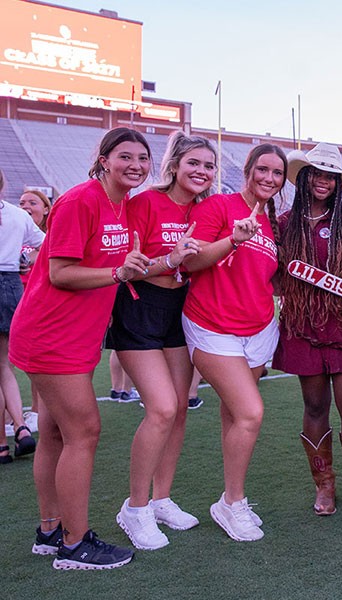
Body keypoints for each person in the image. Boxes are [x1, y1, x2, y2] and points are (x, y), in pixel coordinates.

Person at [8, 128, 153, 569]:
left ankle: (50, 532)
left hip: (75, 337)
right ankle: (74, 544)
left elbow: (122, 265)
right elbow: (60, 273)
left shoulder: (121, 205)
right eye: (125, 156)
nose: (136, 165)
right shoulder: (79, 200)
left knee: (53, 433)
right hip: (52, 335)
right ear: (104, 159)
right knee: (84, 432)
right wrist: (116, 274)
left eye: (143, 158)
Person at [109, 132, 215, 550]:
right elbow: (127, 268)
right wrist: (169, 260)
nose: (201, 172)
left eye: (208, 166)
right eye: (194, 163)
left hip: (181, 311)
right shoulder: (145, 203)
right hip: (139, 307)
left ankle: (161, 499)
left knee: (181, 411)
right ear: (175, 165)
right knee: (161, 408)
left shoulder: (207, 210)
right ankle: (134, 509)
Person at [180, 143, 286, 542]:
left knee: (233, 414)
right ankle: (233, 502)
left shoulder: (274, 222)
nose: (269, 179)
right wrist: (234, 240)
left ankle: (231, 498)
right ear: (248, 169)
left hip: (258, 329)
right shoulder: (219, 208)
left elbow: (264, 276)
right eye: (263, 169)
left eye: (277, 174)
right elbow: (191, 260)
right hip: (212, 325)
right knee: (250, 413)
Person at [274, 143, 342, 516]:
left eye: (330, 177)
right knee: (315, 404)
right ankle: (324, 485)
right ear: (304, 177)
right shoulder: (285, 223)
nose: (323, 181)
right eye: (316, 174)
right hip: (303, 325)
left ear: (338, 183)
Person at [1, 170, 44, 464]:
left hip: (10, 280)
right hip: (11, 285)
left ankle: (4, 442)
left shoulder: (16, 214)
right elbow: (48, 244)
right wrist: (24, 259)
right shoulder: (18, 215)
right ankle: (20, 428)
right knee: (4, 367)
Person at [16, 188, 52, 431]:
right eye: (21, 202)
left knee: (36, 362)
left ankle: (39, 412)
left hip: (38, 304)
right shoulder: (14, 232)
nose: (25, 206)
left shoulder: (50, 236)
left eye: (32, 202)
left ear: (46, 209)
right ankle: (15, 415)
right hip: (13, 301)